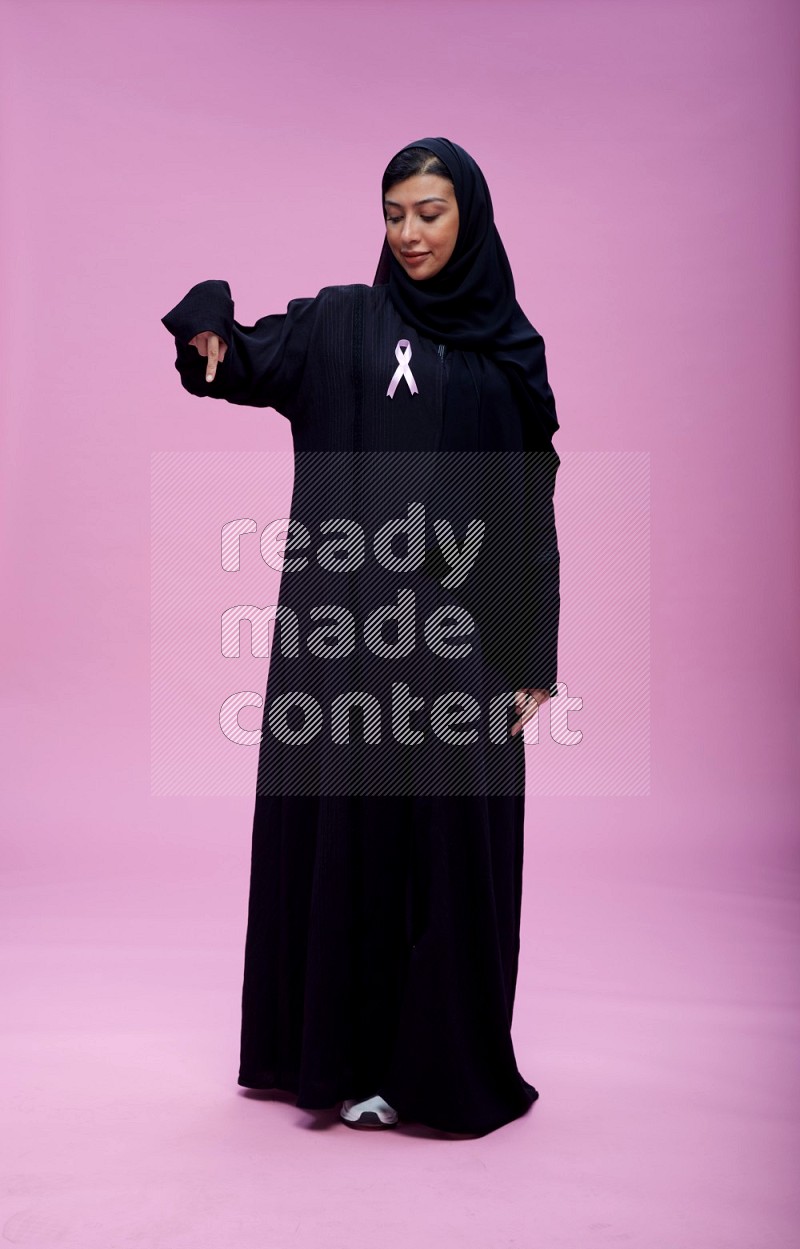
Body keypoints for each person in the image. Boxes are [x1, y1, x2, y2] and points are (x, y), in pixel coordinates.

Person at [160, 137, 561, 1137]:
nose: (410, 233)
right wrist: (210, 337)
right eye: (394, 213)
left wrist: (532, 657)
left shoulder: (507, 348)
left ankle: (437, 1071)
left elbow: (527, 509)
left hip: (462, 645)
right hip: (348, 645)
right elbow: (243, 357)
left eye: (428, 211)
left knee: (448, 851)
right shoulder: (343, 322)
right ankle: (344, 1062)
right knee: (356, 843)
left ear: (467, 213)